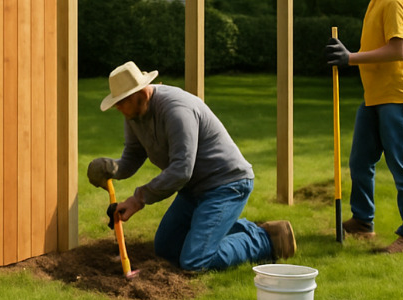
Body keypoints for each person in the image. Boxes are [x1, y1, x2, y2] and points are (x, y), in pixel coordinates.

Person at [87, 62, 295, 272]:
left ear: (140, 92)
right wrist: (113, 169)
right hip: (193, 190)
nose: (118, 107)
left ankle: (265, 239)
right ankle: (231, 229)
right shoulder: (133, 114)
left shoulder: (176, 110)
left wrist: (139, 199)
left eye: (122, 101)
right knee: (166, 249)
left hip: (226, 185)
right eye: (116, 103)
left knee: (195, 262)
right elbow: (134, 153)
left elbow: (181, 170)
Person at [326, 0, 403, 253]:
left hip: (396, 95)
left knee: (401, 165)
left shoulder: (394, 0)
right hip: (375, 96)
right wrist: (349, 55)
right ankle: (363, 221)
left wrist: (350, 58)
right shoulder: (377, 0)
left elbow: (398, 51)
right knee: (359, 161)